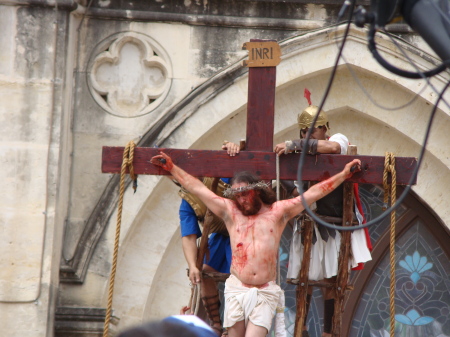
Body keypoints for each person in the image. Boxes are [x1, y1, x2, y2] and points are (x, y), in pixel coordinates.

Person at [150, 151, 361, 337]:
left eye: (245, 194)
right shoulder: (230, 212)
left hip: (264, 290)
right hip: (236, 289)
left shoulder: (277, 212)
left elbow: (313, 193)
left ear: (257, 190)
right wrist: (171, 167)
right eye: (237, 196)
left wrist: (343, 175)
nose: (241, 200)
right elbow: (197, 188)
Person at [274, 102, 372, 337]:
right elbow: (286, 183)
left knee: (331, 278)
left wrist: (292, 144)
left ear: (325, 128)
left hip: (335, 224)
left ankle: (328, 332)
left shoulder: (339, 138)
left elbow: (333, 147)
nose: (308, 135)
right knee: (304, 278)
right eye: (304, 132)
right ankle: (302, 330)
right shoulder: (296, 157)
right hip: (308, 223)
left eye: (314, 130)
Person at [179, 141, 240, 336]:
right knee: (204, 271)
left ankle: (234, 325)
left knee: (239, 277)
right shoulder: (188, 200)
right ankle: (215, 321)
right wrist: (193, 266)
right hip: (220, 238)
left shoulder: (222, 176)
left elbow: (245, 167)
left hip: (241, 234)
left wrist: (235, 148)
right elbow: (188, 236)